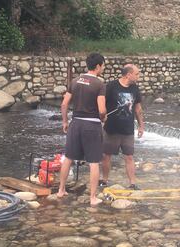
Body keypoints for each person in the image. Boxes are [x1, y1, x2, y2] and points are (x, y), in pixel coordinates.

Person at [58, 53, 107, 206]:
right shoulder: (99, 84)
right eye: (103, 65)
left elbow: (64, 104)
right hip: (91, 126)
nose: (103, 68)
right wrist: (104, 118)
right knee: (93, 162)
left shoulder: (75, 81)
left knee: (69, 157)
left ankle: (60, 190)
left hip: (76, 123)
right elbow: (101, 109)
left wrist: (65, 121)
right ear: (98, 66)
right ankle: (93, 198)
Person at [100, 64, 144, 190]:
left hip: (128, 129)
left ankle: (132, 183)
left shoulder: (135, 88)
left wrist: (141, 125)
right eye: (137, 74)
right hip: (111, 128)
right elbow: (101, 102)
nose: (138, 76)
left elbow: (138, 109)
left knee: (129, 156)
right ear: (128, 74)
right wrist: (101, 116)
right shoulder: (111, 86)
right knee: (106, 155)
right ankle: (104, 180)